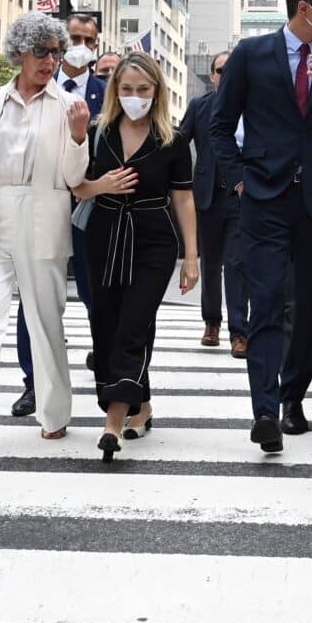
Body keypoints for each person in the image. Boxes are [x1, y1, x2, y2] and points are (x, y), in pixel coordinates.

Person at [210, 0, 312, 454]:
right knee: (267, 301)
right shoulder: (251, 55)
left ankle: (292, 396)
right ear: (306, 8)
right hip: (264, 198)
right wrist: (240, 178)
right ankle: (264, 409)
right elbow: (220, 126)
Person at [0, 13, 92, 467]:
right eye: (42, 51)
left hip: (45, 218)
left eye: (57, 52)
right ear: (19, 53)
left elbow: (73, 177)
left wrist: (79, 136)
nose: (51, 61)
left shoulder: (68, 105)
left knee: (46, 324)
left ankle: (54, 410)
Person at [74, 53, 200, 459]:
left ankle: (112, 422)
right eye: (126, 89)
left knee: (134, 324)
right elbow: (74, 185)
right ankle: (140, 405)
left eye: (142, 90)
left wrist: (192, 255)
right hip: (104, 233)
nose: (134, 97)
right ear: (115, 91)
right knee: (106, 325)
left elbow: (183, 198)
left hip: (154, 239)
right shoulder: (99, 131)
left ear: (157, 91)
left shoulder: (173, 139)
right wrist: (102, 185)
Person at [12, 11, 105, 414]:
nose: (79, 47)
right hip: (37, 211)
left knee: (95, 295)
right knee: (32, 297)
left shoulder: (110, 91)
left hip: (91, 211)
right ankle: (34, 381)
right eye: (74, 37)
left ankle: (107, 371)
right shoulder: (27, 92)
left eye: (88, 40)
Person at [180, 50, 240, 346]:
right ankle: (211, 323)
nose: (225, 75)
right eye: (220, 70)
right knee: (211, 264)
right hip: (206, 196)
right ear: (212, 76)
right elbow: (180, 142)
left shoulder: (252, 106)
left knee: (237, 263)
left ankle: (239, 331)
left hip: (241, 197)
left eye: (232, 70)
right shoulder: (199, 105)